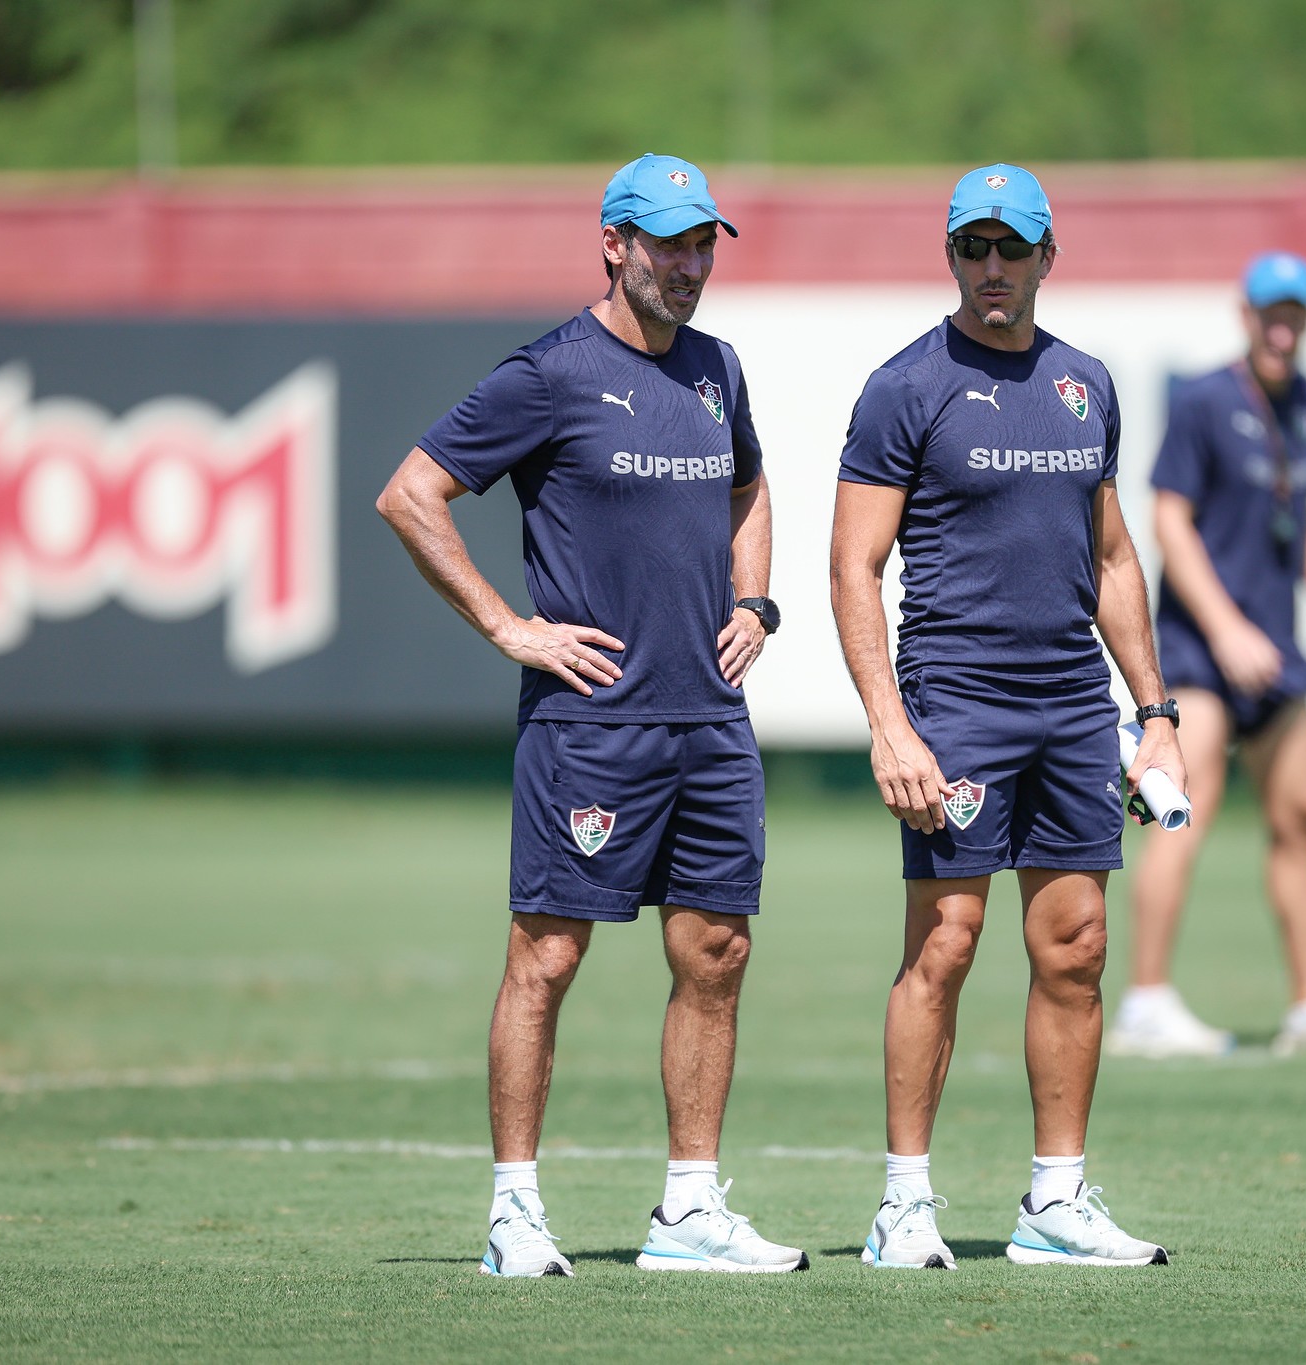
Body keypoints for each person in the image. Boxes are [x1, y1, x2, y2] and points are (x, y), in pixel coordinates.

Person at [375, 154, 806, 1277]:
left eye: (704, 241)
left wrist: (755, 598)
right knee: (548, 957)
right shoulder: (550, 373)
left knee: (715, 951)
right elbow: (410, 493)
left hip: (708, 722)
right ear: (613, 242)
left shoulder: (718, 369)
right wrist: (508, 627)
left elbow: (750, 487)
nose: (690, 263)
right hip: (591, 729)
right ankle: (515, 1214)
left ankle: (690, 1213)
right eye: (668, 241)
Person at [830, 163, 1188, 1270]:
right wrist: (891, 726)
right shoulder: (906, 385)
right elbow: (853, 568)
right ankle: (902, 1205)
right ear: (950, 256)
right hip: (959, 706)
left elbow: (1114, 557)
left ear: (1047, 258)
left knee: (1075, 948)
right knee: (945, 945)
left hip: (1073, 709)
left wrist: (1157, 712)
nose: (992, 268)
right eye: (973, 248)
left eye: (1012, 248)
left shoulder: (1086, 384)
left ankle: (1056, 1203)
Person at [1109, 251, 1306, 1062]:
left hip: (1274, 648)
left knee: (1303, 812)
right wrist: (1224, 629)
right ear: (1244, 316)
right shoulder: (1205, 400)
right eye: (1269, 312)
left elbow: (1301, 518)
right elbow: (1169, 521)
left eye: (1295, 314)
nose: (1282, 327)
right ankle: (1145, 1002)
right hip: (1200, 650)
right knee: (1182, 810)